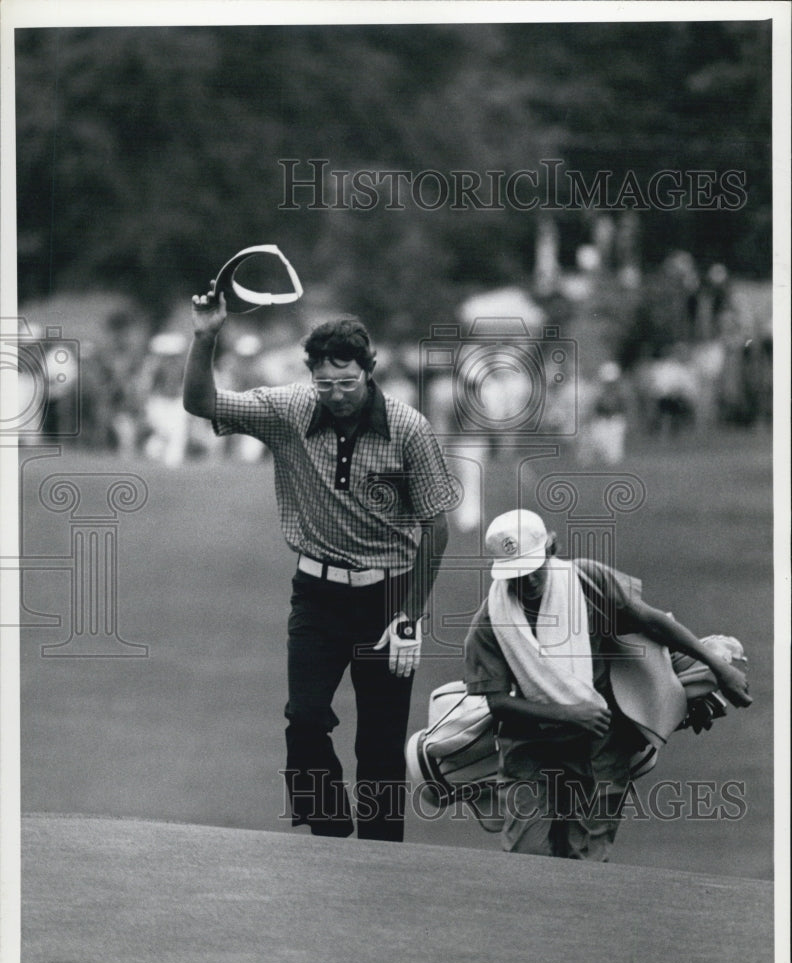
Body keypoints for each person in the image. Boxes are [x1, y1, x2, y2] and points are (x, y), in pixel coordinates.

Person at [183, 285, 460, 841]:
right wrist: (206, 337)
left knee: (379, 744)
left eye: (347, 382)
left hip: (388, 595)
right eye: (325, 382)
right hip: (317, 594)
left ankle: (381, 864)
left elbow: (437, 527)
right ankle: (328, 832)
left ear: (370, 370)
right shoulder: (289, 410)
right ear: (311, 375)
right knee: (305, 717)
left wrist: (409, 618)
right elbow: (201, 403)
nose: (335, 395)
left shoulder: (408, 428)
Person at [463, 509, 752, 860]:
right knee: (527, 858)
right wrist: (569, 714)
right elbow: (497, 703)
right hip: (529, 748)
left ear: (552, 548)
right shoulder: (490, 620)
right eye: (517, 574)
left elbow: (651, 621)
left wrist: (718, 667)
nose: (528, 582)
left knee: (585, 858)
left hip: (598, 745)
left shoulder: (587, 579)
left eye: (534, 568)